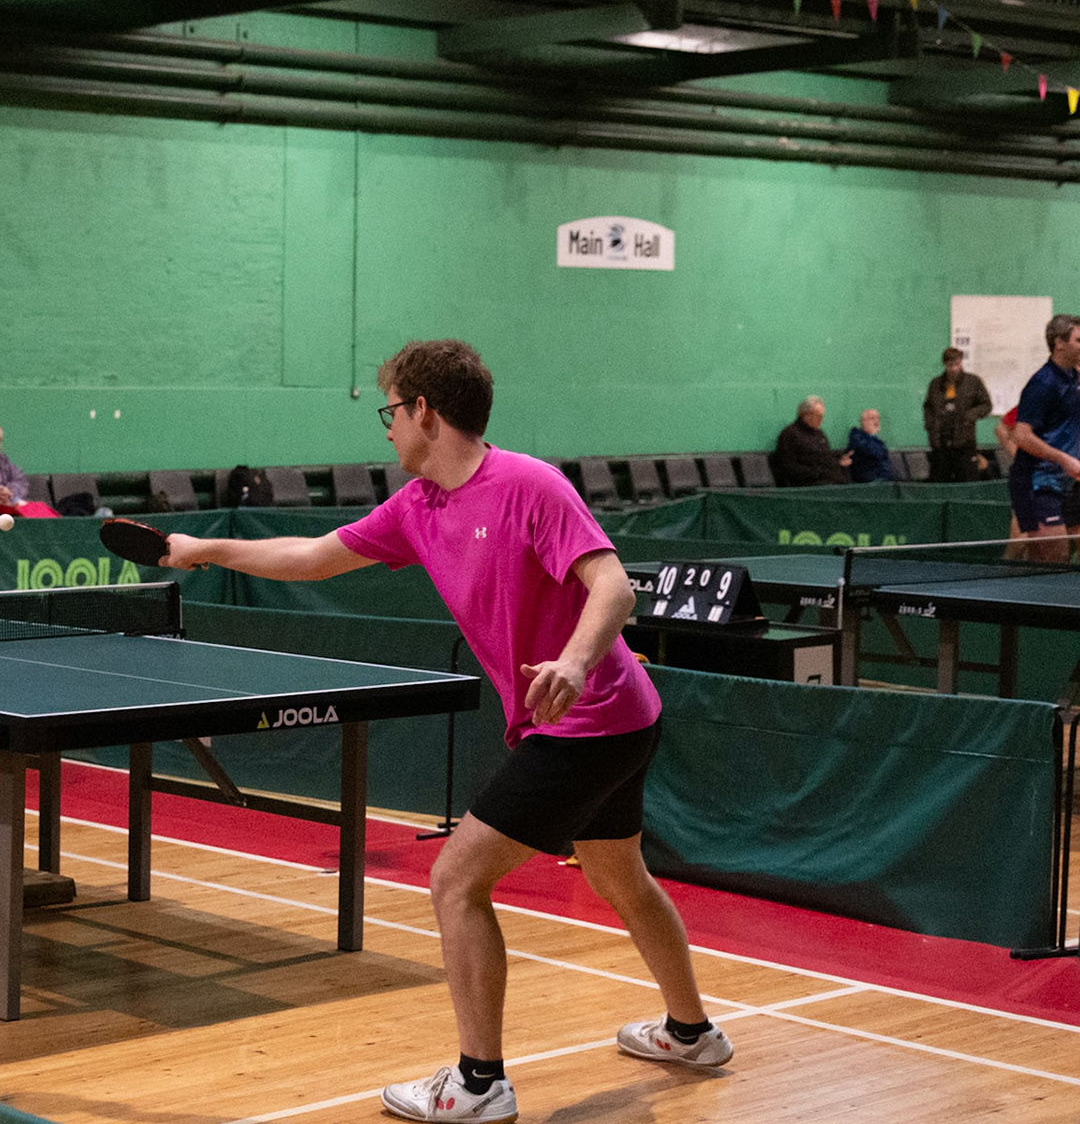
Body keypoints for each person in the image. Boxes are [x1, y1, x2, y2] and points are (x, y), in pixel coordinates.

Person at [161, 339, 730, 1124]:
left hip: (589, 718)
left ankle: (479, 1083)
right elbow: (315, 557)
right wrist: (204, 549)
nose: (388, 428)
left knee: (455, 880)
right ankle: (692, 1034)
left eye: (390, 411)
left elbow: (613, 586)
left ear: (424, 410)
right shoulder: (418, 506)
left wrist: (572, 663)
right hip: (619, 719)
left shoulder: (530, 485)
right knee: (621, 879)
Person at [1006, 315, 1080, 564]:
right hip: (1037, 482)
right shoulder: (1042, 384)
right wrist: (1064, 459)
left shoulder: (1073, 378)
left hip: (1065, 483)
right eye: (1079, 340)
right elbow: (1021, 435)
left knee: (1058, 559)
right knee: (1053, 558)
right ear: (1059, 343)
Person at [923, 347, 992, 484]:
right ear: (945, 365)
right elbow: (928, 407)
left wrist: (970, 416)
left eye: (957, 364)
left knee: (967, 481)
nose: (955, 368)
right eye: (951, 365)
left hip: (964, 442)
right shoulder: (935, 384)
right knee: (940, 481)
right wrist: (930, 426)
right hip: (940, 443)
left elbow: (986, 405)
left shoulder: (973, 382)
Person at [772, 396, 852, 487]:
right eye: (818, 416)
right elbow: (788, 467)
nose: (821, 419)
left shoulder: (819, 433)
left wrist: (839, 461)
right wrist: (819, 472)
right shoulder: (790, 434)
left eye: (822, 416)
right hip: (808, 483)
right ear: (806, 414)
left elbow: (826, 457)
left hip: (827, 478)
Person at [847, 409, 896, 483]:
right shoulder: (856, 437)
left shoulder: (878, 441)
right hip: (869, 481)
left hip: (884, 480)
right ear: (863, 422)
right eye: (872, 418)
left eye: (877, 418)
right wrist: (872, 433)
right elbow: (874, 452)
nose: (876, 421)